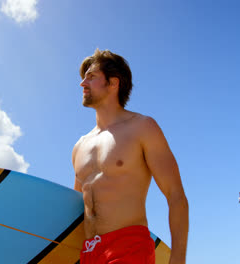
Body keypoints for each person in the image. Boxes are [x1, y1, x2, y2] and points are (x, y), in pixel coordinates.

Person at [72, 49, 189, 264]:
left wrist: (178, 258)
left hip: (128, 247)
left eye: (91, 77)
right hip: (89, 253)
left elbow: (176, 195)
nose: (82, 83)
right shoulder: (80, 146)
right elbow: (78, 208)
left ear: (113, 83)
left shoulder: (142, 128)